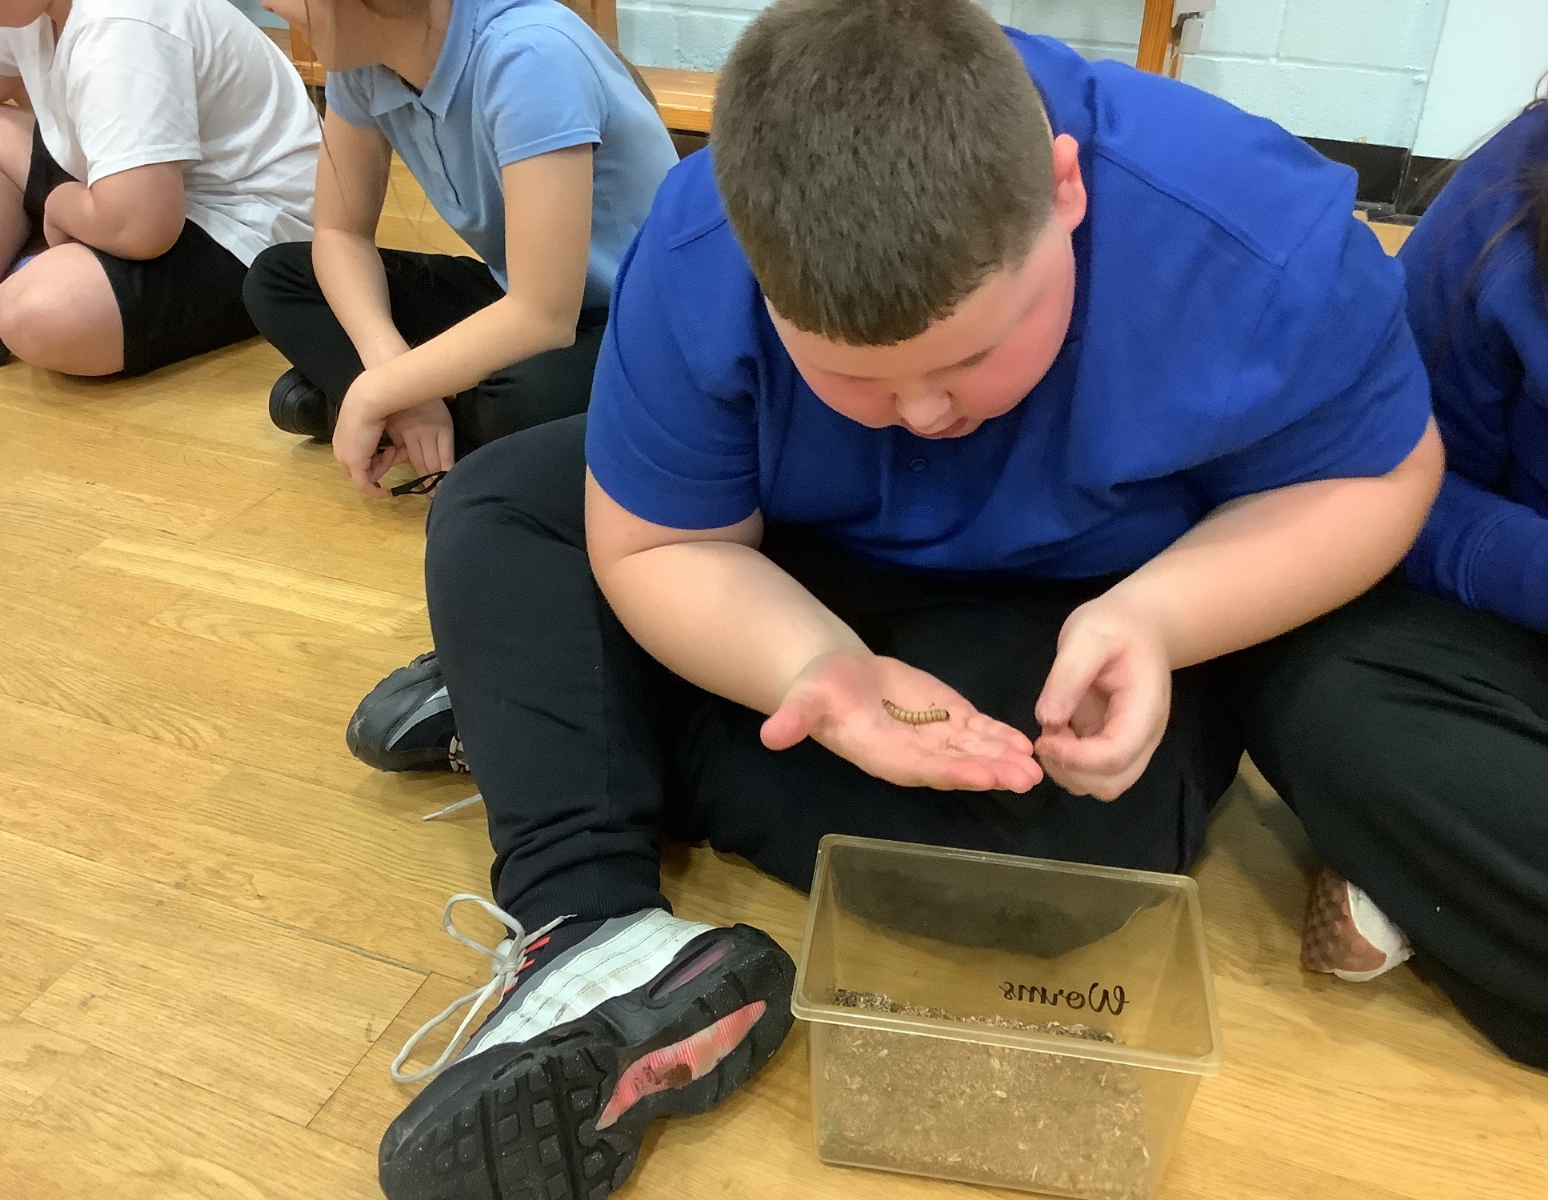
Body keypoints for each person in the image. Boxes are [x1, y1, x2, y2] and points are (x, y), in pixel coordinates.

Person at [371, 2, 1444, 1196]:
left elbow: (1380, 477)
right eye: (853, 377)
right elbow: (660, 543)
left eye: (971, 356)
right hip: (785, 561)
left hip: (1063, 597)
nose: (926, 413)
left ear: (1066, 192)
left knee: (1086, 856)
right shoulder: (699, 241)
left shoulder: (1253, 233)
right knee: (497, 511)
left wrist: (1157, 618)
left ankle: (553, 709)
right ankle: (591, 924)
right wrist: (811, 671)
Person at [1245, 97, 1548, 1071]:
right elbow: (1381, 473)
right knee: (1312, 685)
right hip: (1497, 640)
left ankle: (1446, 891)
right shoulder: (1510, 194)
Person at [243, 0, 677, 500]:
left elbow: (544, 317)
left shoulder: (530, 54)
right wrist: (394, 374)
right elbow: (341, 234)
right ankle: (422, 424)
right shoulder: (360, 59)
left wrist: (376, 390)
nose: (270, 5)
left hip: (642, 322)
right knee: (278, 278)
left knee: (524, 402)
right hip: (527, 297)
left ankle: (363, 414)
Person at [0, 0, 318, 377]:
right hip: (141, 190)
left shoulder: (119, 24)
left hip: (254, 230)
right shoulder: (23, 12)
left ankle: (38, 269)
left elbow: (139, 227)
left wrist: (59, 205)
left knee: (34, 311)